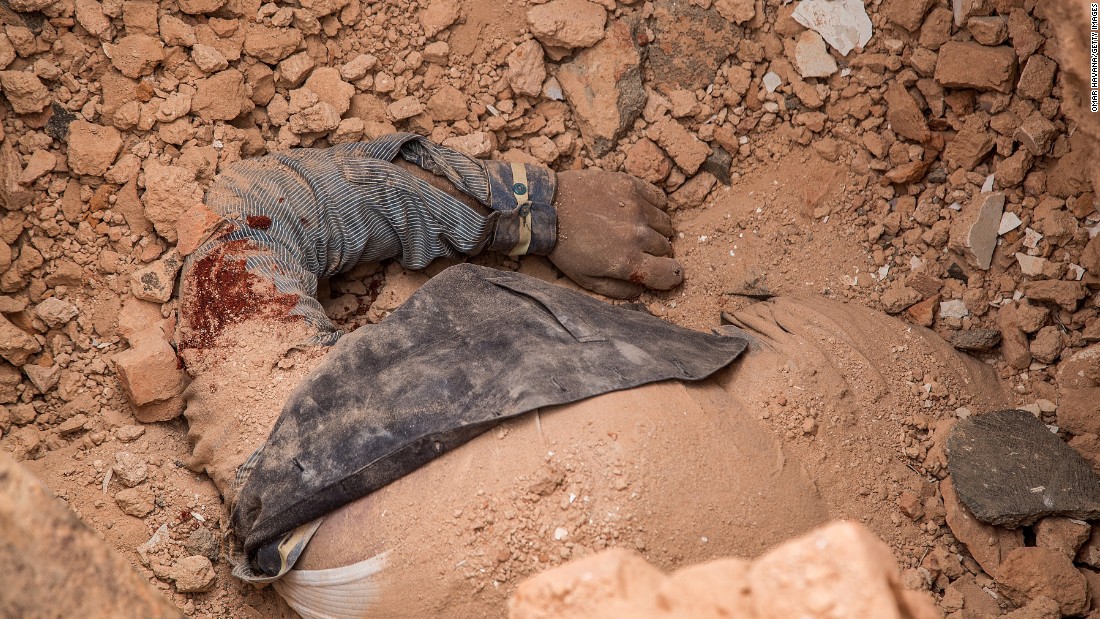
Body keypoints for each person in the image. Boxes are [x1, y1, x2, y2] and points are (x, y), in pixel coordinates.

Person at [176, 133, 1007, 618]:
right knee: (953, 417)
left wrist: (527, 208)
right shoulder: (845, 385)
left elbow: (252, 218)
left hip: (350, 531)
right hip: (808, 435)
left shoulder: (298, 478)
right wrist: (531, 206)